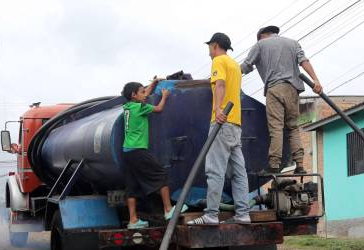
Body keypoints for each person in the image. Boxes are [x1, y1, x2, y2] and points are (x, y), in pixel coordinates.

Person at [240, 26, 323, 175]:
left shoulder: (260, 45)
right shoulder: (293, 43)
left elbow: (245, 66)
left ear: (261, 36)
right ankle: (299, 165)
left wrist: (227, 77)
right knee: (292, 127)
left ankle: (274, 164)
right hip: (293, 89)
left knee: (276, 127)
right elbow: (304, 61)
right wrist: (315, 80)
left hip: (275, 88)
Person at [187, 33, 250, 225]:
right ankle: (243, 214)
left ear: (215, 45)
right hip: (236, 124)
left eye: (209, 47)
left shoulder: (218, 61)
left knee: (215, 170)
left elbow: (220, 85)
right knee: (239, 172)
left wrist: (218, 109)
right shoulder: (235, 66)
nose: (209, 51)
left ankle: (211, 215)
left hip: (222, 123)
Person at [121, 79, 188, 229]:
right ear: (133, 95)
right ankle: (168, 209)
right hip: (138, 150)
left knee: (132, 185)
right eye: (142, 92)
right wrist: (164, 96)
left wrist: (152, 84)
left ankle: (133, 220)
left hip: (127, 151)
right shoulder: (140, 107)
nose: (145, 94)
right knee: (160, 173)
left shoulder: (127, 107)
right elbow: (158, 109)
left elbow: (145, 96)